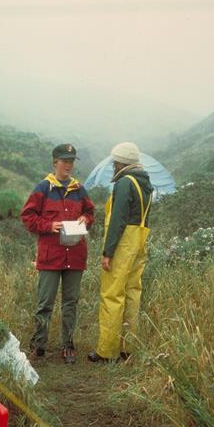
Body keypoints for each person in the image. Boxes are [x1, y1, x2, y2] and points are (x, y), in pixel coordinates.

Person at [21, 144, 95, 364]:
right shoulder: (43, 188)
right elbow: (27, 217)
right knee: (45, 303)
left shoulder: (79, 189)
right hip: (50, 256)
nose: (68, 165)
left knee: (70, 303)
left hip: (75, 255)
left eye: (71, 161)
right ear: (55, 162)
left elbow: (90, 212)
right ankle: (39, 345)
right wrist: (48, 225)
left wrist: (86, 219)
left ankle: (68, 346)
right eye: (64, 161)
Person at [88, 142, 153, 363]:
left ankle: (106, 351)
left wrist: (108, 252)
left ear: (121, 163)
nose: (114, 166)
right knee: (133, 293)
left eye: (115, 163)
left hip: (123, 245)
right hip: (139, 243)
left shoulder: (125, 183)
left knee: (112, 295)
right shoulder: (145, 183)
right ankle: (128, 348)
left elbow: (118, 220)